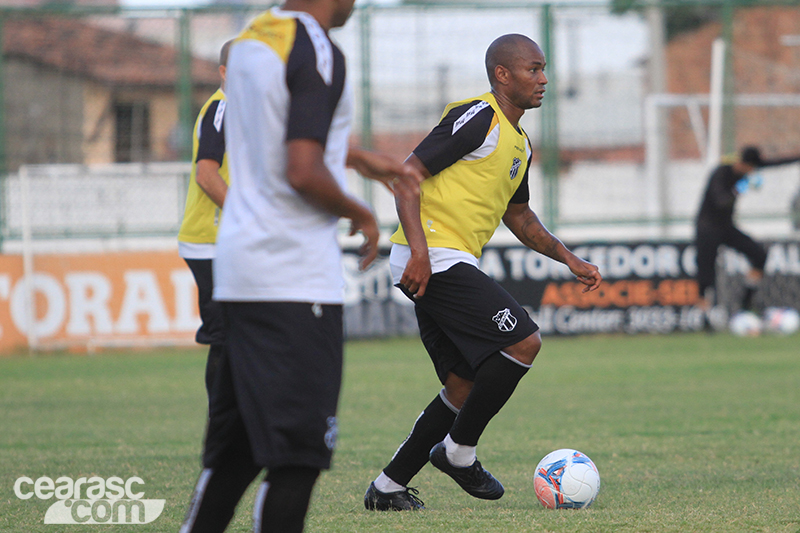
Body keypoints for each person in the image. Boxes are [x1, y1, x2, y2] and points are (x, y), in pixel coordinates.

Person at [178, 2, 422, 532]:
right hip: (292, 278)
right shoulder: (316, 47)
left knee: (234, 455)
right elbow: (302, 170)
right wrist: (362, 213)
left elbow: (278, 142)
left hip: (240, 271)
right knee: (297, 457)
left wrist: (356, 158)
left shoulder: (253, 38)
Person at [363, 34, 602, 511]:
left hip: (443, 259)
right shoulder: (479, 116)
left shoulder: (520, 144)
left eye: (544, 69)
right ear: (502, 75)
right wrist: (419, 251)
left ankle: (387, 487)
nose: (543, 79)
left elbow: (520, 216)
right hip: (433, 256)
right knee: (523, 342)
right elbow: (406, 176)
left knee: (462, 385)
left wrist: (568, 258)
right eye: (533, 69)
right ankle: (458, 452)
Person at [178, 39, 233, 396]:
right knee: (226, 338)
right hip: (210, 241)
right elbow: (206, 175)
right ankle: (222, 423)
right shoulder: (221, 110)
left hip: (228, 240)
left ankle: (237, 420)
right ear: (224, 72)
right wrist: (248, 217)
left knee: (240, 336)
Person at [695, 146, 800, 325]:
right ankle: (705, 318)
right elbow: (721, 201)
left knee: (759, 255)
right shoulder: (721, 173)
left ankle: (746, 303)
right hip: (707, 229)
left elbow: (775, 163)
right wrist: (740, 188)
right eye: (751, 169)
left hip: (726, 227)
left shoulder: (749, 169)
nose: (752, 172)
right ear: (744, 164)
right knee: (706, 274)